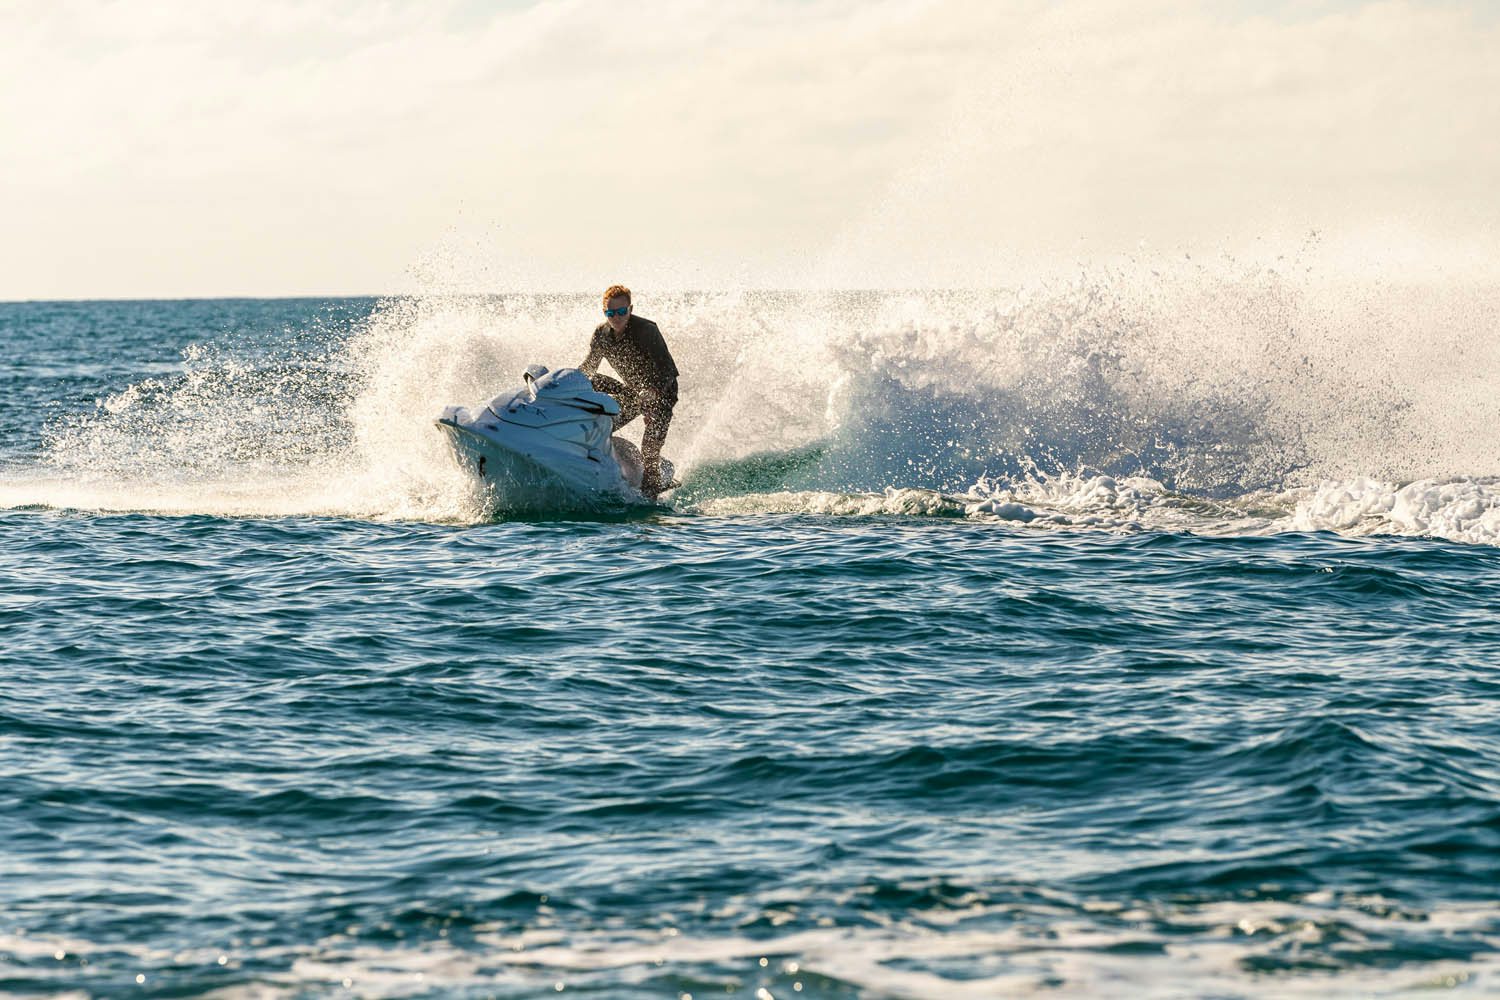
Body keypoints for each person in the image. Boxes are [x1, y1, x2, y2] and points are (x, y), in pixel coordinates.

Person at [579, 284, 679, 497]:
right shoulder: (601, 334)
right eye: (610, 313)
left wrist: (653, 393)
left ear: (630, 309)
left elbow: (668, 371)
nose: (616, 317)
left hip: (661, 394)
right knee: (591, 385)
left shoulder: (647, 330)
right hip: (633, 393)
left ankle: (650, 496)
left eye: (622, 311)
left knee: (650, 452)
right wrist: (562, 382)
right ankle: (618, 467)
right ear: (604, 312)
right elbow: (588, 368)